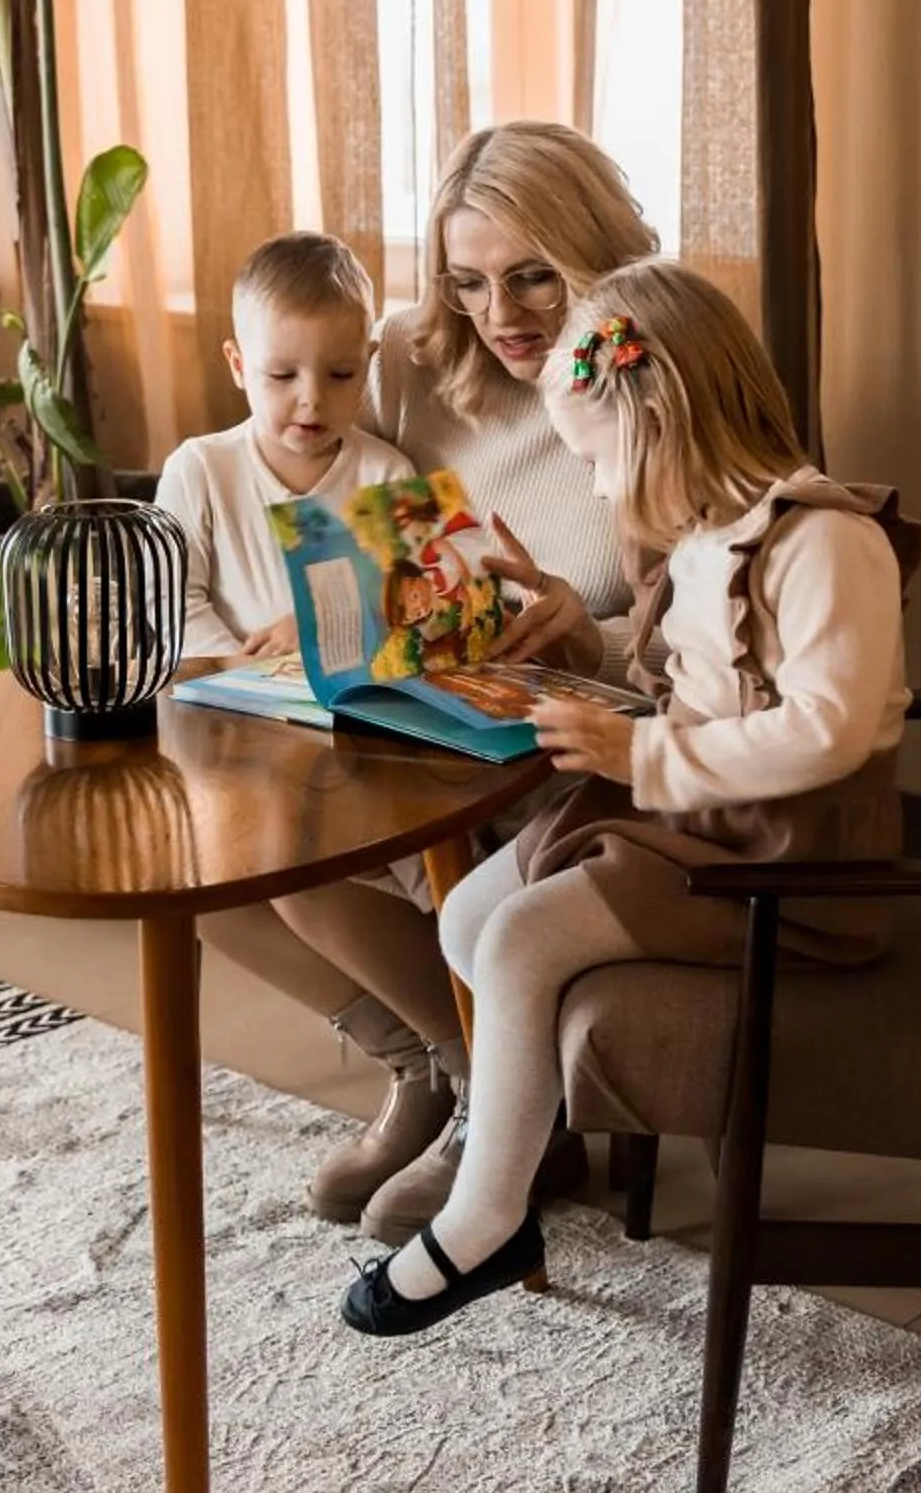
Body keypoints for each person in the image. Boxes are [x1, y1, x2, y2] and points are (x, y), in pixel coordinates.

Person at [336, 260, 921, 1335]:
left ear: (659, 423)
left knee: (518, 944)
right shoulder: (701, 537)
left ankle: (486, 1218)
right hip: (685, 815)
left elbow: (824, 731)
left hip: (783, 853)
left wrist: (636, 756)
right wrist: (565, 632)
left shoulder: (828, 542)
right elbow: (679, 679)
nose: (598, 492)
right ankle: (525, 1109)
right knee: (469, 918)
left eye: (599, 462)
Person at [199, 123, 661, 1231]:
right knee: (217, 853)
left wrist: (581, 632)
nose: (499, 315)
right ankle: (438, 1071)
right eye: (466, 282)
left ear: (595, 257)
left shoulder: (646, 372)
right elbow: (332, 488)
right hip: (430, 713)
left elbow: (696, 625)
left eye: (533, 276)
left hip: (583, 730)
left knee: (313, 839)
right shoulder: (410, 357)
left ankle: (497, 1104)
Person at [154, 233, 412, 659]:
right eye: (281, 375)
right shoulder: (199, 469)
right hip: (227, 702)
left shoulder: (387, 475)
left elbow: (408, 600)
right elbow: (170, 605)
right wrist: (242, 670)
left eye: (341, 374)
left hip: (356, 706)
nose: (312, 398)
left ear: (367, 364)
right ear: (238, 366)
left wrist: (320, 625)